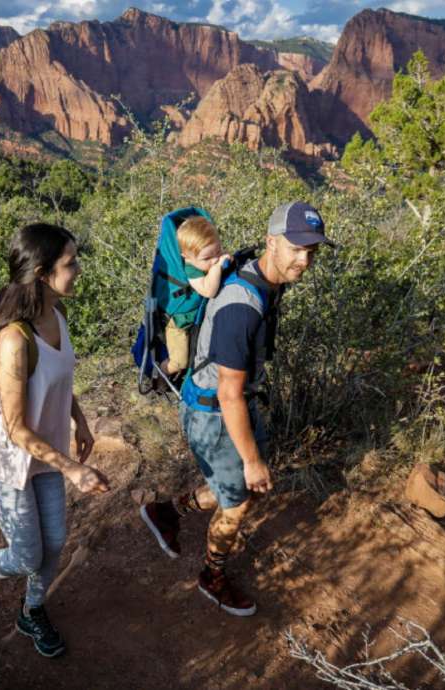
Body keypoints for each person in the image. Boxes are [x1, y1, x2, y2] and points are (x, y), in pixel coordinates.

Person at [140, 202, 333, 616]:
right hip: (214, 413)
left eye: (312, 250)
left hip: (234, 404)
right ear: (271, 243)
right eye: (296, 248)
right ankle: (212, 576)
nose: (305, 259)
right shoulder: (241, 306)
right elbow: (228, 393)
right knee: (240, 502)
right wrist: (250, 460)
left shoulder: (265, 276)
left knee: (243, 492)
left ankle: (166, 511)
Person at [0, 223, 110, 658]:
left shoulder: (57, 315)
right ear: (41, 273)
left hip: (48, 453)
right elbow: (17, 428)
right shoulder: (13, 340)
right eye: (70, 263)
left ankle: (31, 610)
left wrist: (80, 420)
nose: (77, 269)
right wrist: (72, 467)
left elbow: (60, 377)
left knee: (54, 542)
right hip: (9, 463)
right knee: (26, 555)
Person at [161, 216, 232, 376]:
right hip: (180, 324)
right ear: (186, 256)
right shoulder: (191, 270)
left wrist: (226, 258)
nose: (214, 260)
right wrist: (217, 269)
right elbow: (209, 291)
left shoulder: (205, 260)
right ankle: (160, 372)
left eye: (218, 251)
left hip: (197, 319)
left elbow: (216, 260)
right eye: (207, 258)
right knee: (180, 362)